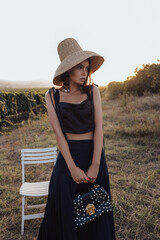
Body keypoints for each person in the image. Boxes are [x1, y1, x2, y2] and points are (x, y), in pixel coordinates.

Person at [37, 38, 116, 240]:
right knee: (67, 215)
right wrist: (71, 167)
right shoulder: (51, 96)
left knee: (95, 210)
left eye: (87, 68)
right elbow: (58, 134)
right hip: (68, 159)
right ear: (68, 69)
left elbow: (99, 128)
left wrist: (96, 164)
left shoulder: (93, 91)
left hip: (93, 156)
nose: (84, 72)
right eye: (79, 67)